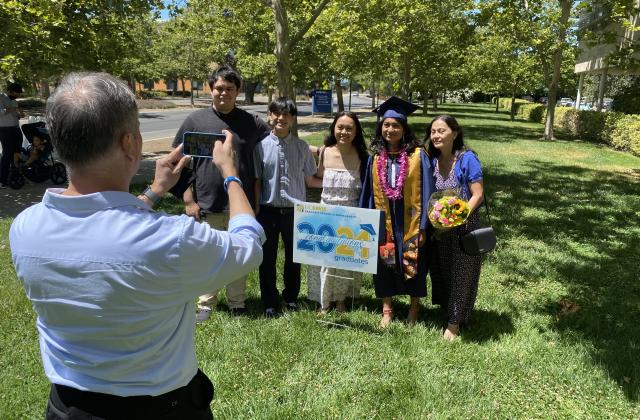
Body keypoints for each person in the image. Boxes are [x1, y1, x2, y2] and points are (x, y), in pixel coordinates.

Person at [9, 72, 265, 419]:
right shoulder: (172, 240)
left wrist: (156, 190)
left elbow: (103, 227)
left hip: (67, 406)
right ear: (129, 143)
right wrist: (231, 174)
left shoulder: (26, 227)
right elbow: (248, 244)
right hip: (161, 408)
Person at [171, 65, 271, 321]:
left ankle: (238, 302)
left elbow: (275, 144)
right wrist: (188, 199)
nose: (223, 92)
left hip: (241, 203)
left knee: (238, 254)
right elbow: (176, 162)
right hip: (208, 201)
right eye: (218, 88)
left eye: (229, 88)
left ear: (237, 91)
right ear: (211, 89)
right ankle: (206, 303)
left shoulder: (251, 123)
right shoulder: (195, 121)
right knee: (208, 255)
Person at [360, 96, 435, 328]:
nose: (390, 129)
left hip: (411, 219)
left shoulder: (418, 156)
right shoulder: (375, 158)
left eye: (395, 125)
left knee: (415, 261)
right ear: (380, 127)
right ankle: (387, 309)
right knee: (384, 263)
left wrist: (424, 227)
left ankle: (414, 307)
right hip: (384, 219)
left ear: (404, 129)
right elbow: (368, 193)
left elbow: (428, 191)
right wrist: (367, 223)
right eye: (386, 125)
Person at [254, 97, 321, 317]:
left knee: (294, 257)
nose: (281, 118)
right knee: (267, 258)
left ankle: (291, 297)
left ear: (293, 119)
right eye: (277, 113)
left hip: (295, 212)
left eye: (287, 114)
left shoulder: (302, 147)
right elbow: (257, 181)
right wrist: (255, 210)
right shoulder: (260, 147)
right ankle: (270, 301)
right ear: (270, 116)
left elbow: (311, 179)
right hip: (268, 210)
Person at [425, 115, 484, 341]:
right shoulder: (433, 159)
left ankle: (454, 322)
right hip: (440, 228)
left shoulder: (467, 159)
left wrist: (457, 217)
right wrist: (441, 221)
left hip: (464, 227)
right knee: (442, 271)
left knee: (462, 274)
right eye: (433, 131)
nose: (436, 135)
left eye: (441, 131)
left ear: (455, 133)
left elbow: (478, 194)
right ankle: (449, 310)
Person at [307, 112, 368, 313]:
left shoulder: (362, 156)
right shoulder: (325, 151)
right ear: (333, 128)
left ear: (356, 132)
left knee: (344, 260)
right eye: (340, 127)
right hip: (326, 213)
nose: (344, 132)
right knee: (325, 260)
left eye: (349, 128)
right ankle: (324, 301)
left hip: (350, 215)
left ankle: (341, 299)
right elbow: (317, 178)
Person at [0, 82, 23, 187]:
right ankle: (2, 179)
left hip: (16, 128)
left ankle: (15, 174)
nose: (17, 95)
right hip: (5, 130)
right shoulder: (1, 98)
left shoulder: (14, 101)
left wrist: (19, 115)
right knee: (7, 153)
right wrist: (10, 109)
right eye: (16, 93)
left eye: (18, 94)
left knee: (17, 151)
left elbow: (15, 115)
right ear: (9, 91)